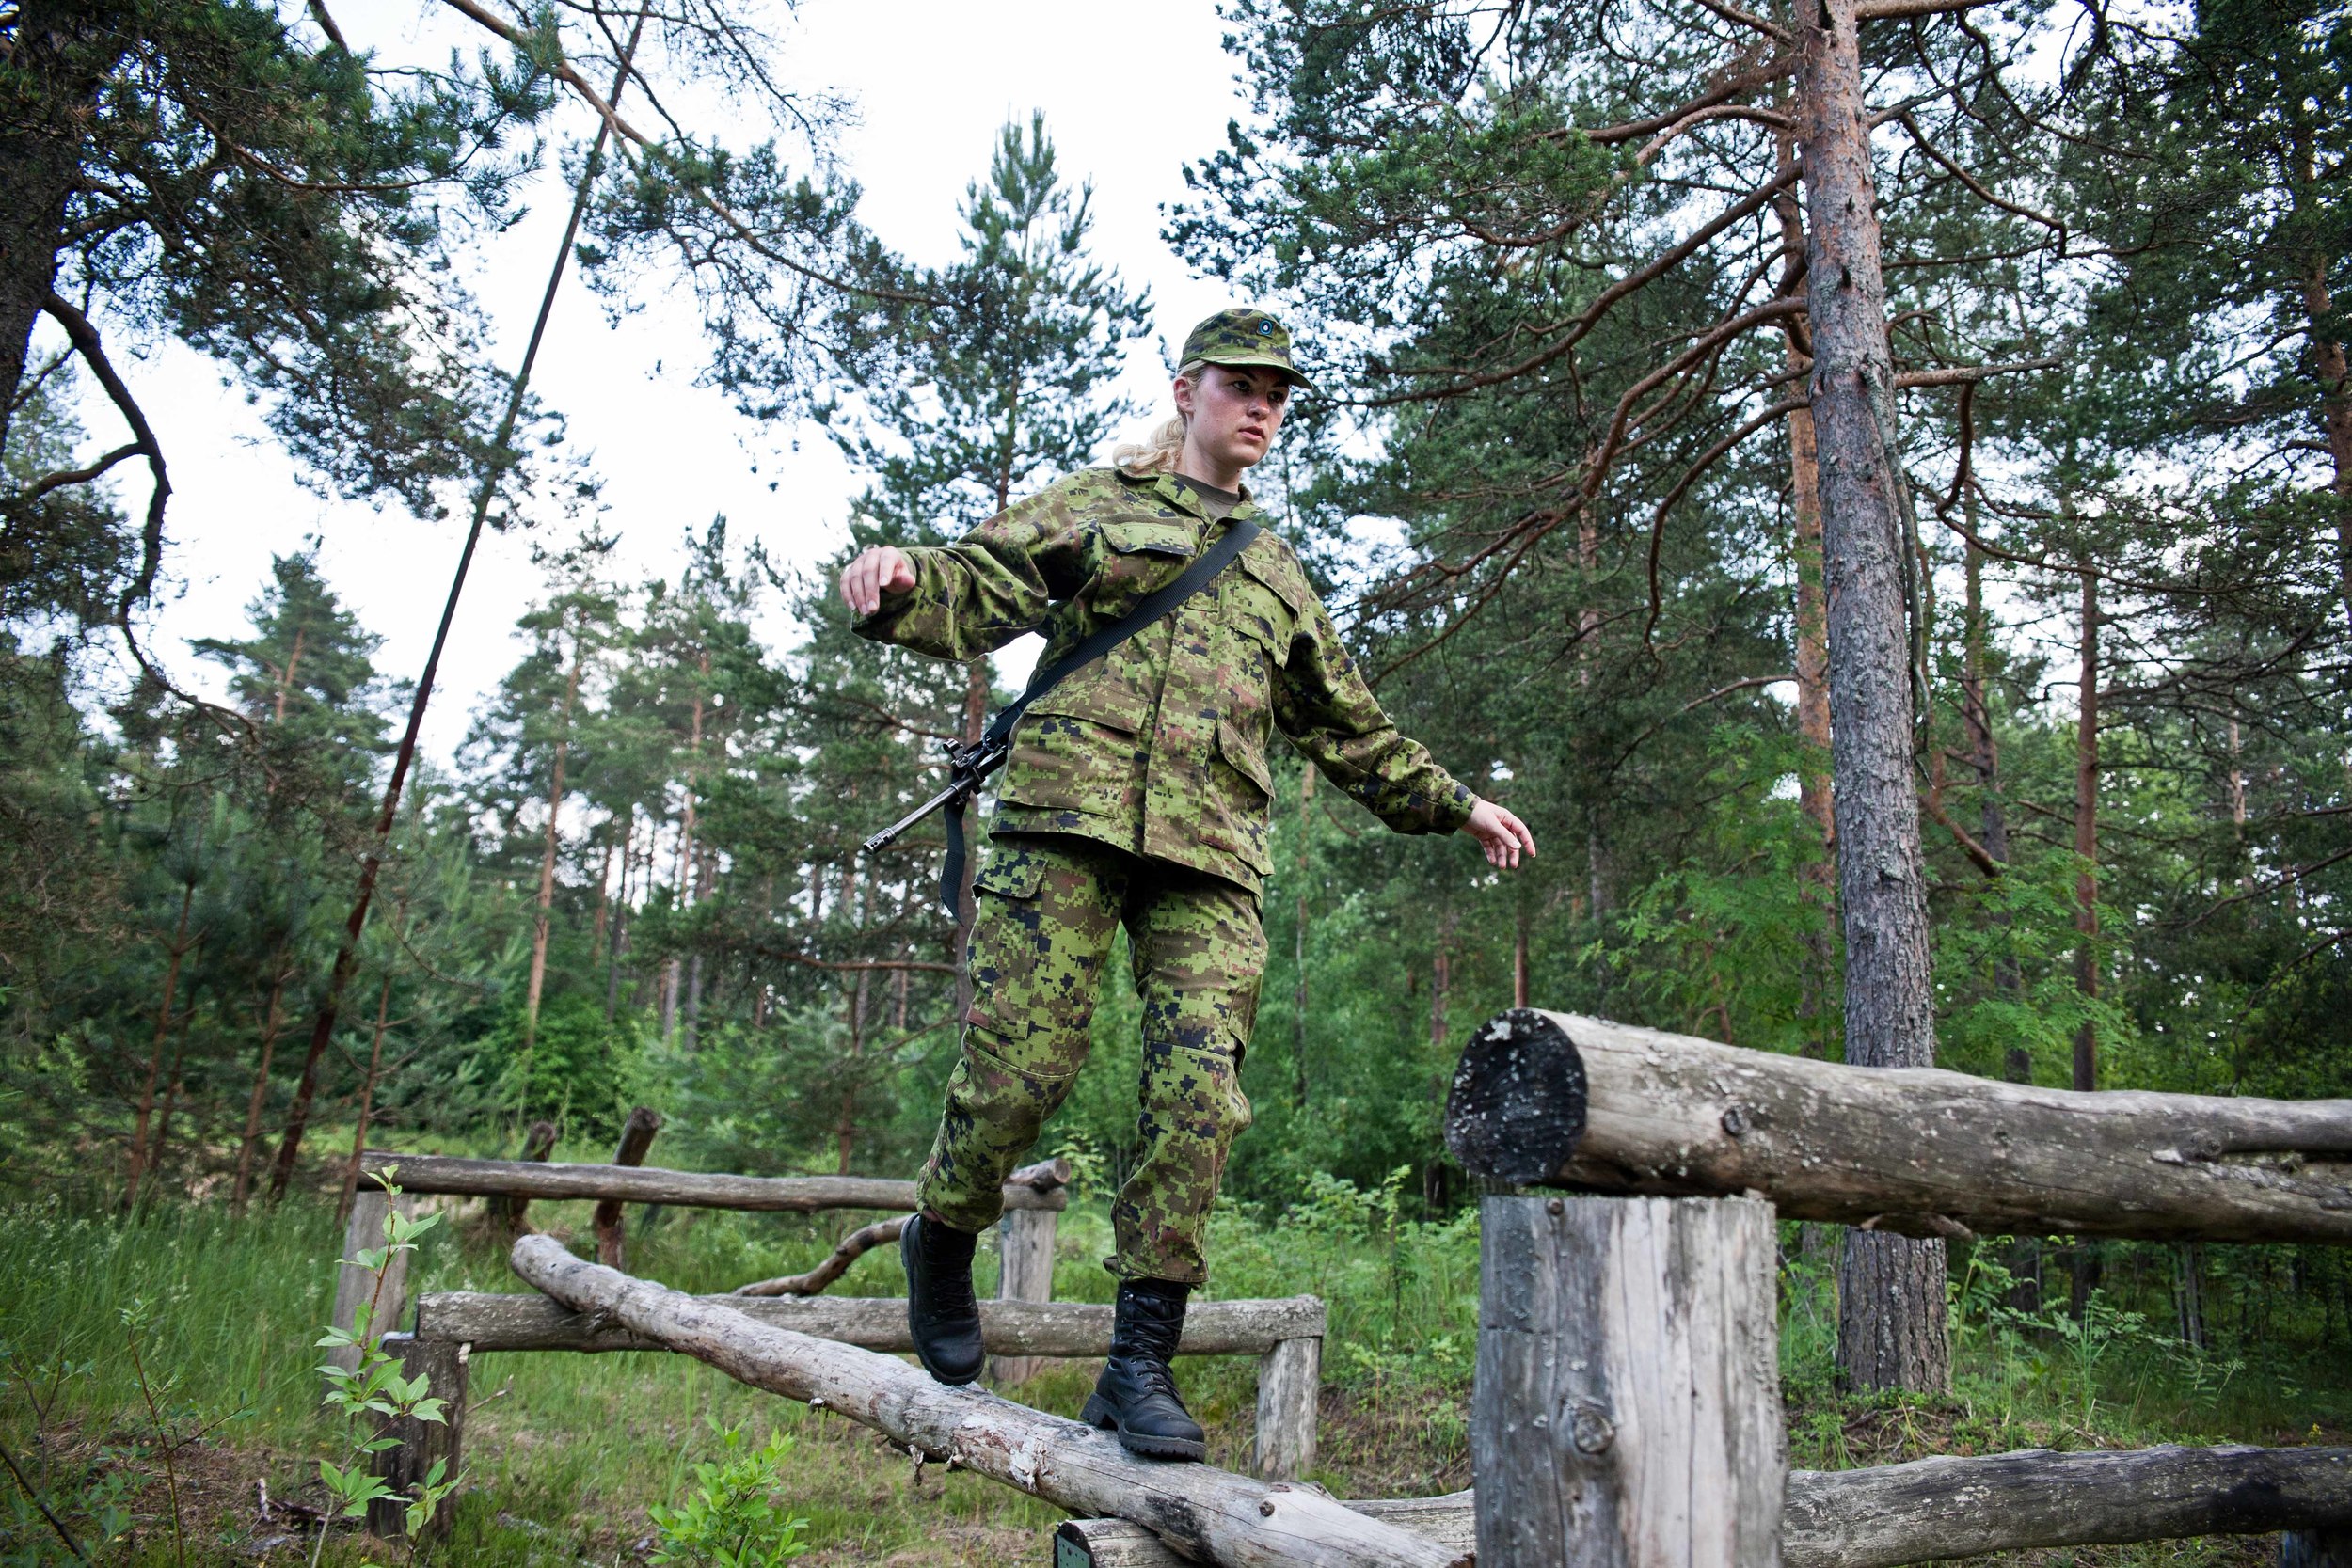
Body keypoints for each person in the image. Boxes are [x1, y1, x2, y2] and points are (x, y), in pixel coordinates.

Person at [838, 308, 1535, 1461]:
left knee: (1199, 1099)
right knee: (1020, 1074)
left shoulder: (1273, 570)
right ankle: (943, 1228)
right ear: (1186, 390)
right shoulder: (1099, 502)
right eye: (1240, 385)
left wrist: (1454, 801)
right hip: (1067, 820)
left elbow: (1348, 727)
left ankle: (1137, 1362)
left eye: (1278, 393)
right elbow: (978, 582)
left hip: (1211, 854)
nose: (1261, 406)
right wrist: (897, 585)